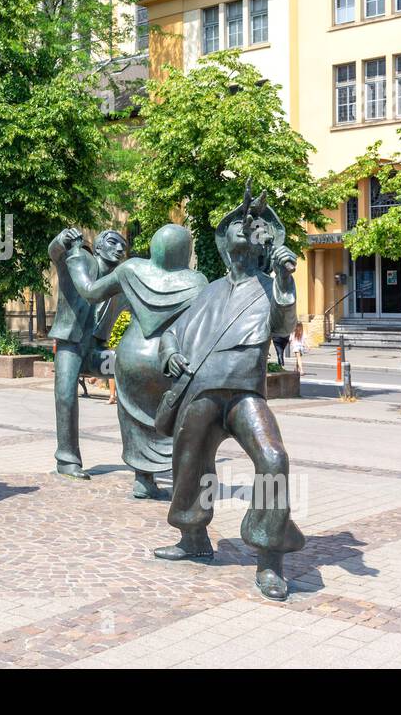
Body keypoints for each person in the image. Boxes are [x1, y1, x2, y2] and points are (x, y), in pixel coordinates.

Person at [153, 185, 305, 601]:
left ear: (262, 242)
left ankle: (270, 557)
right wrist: (170, 354)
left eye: (251, 224)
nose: (244, 225)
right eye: (236, 223)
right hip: (200, 391)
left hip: (244, 394)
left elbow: (282, 325)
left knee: (273, 459)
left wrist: (285, 279)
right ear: (224, 241)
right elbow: (172, 333)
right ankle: (193, 538)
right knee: (190, 462)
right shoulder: (208, 290)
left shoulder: (268, 286)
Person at [64, 223, 207, 498]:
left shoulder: (131, 269)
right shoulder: (197, 281)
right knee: (176, 417)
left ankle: (143, 480)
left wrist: (73, 256)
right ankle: (182, 483)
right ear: (185, 251)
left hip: (131, 356)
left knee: (134, 417)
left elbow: (90, 291)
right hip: (171, 358)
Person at [47, 227, 128, 480]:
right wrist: (62, 239)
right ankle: (67, 460)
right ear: (99, 247)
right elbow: (55, 253)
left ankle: (146, 455)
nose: (119, 249)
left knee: (136, 373)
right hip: (71, 344)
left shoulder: (121, 283)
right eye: (113, 243)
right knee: (65, 395)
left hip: (96, 351)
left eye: (123, 246)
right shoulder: (80, 259)